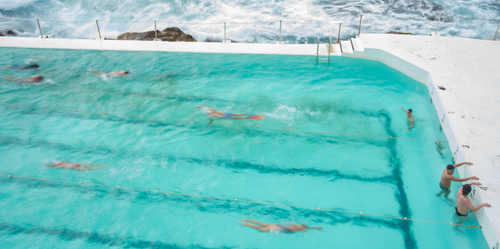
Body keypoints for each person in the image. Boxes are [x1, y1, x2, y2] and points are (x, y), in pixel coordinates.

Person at [192, 105, 264, 124]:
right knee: (238, 114)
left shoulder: (210, 115)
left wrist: (209, 123)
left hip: (224, 117)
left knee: (239, 118)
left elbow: (211, 120)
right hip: (226, 113)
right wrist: (196, 107)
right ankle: (250, 114)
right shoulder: (211, 110)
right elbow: (202, 105)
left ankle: (250, 117)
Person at [241, 219, 322, 234]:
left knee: (262, 224)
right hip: (278, 228)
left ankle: (247, 220)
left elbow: (287, 222)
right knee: (262, 229)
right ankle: (247, 224)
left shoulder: (297, 227)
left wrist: (315, 228)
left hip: (278, 226)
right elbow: (288, 223)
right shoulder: (297, 228)